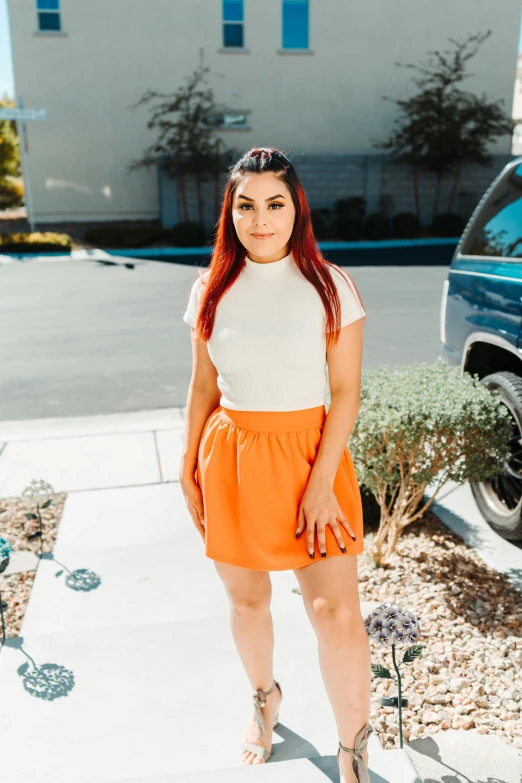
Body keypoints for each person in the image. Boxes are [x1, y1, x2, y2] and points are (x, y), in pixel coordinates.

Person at [179, 147, 372, 783]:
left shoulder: (330, 286)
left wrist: (320, 487)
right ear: (229, 212)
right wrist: (188, 462)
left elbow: (345, 392)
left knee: (336, 617)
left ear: (296, 209)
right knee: (247, 603)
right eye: (247, 205)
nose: (261, 219)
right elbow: (203, 386)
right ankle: (264, 700)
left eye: (275, 203)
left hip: (311, 458)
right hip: (231, 457)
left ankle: (353, 752)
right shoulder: (210, 289)